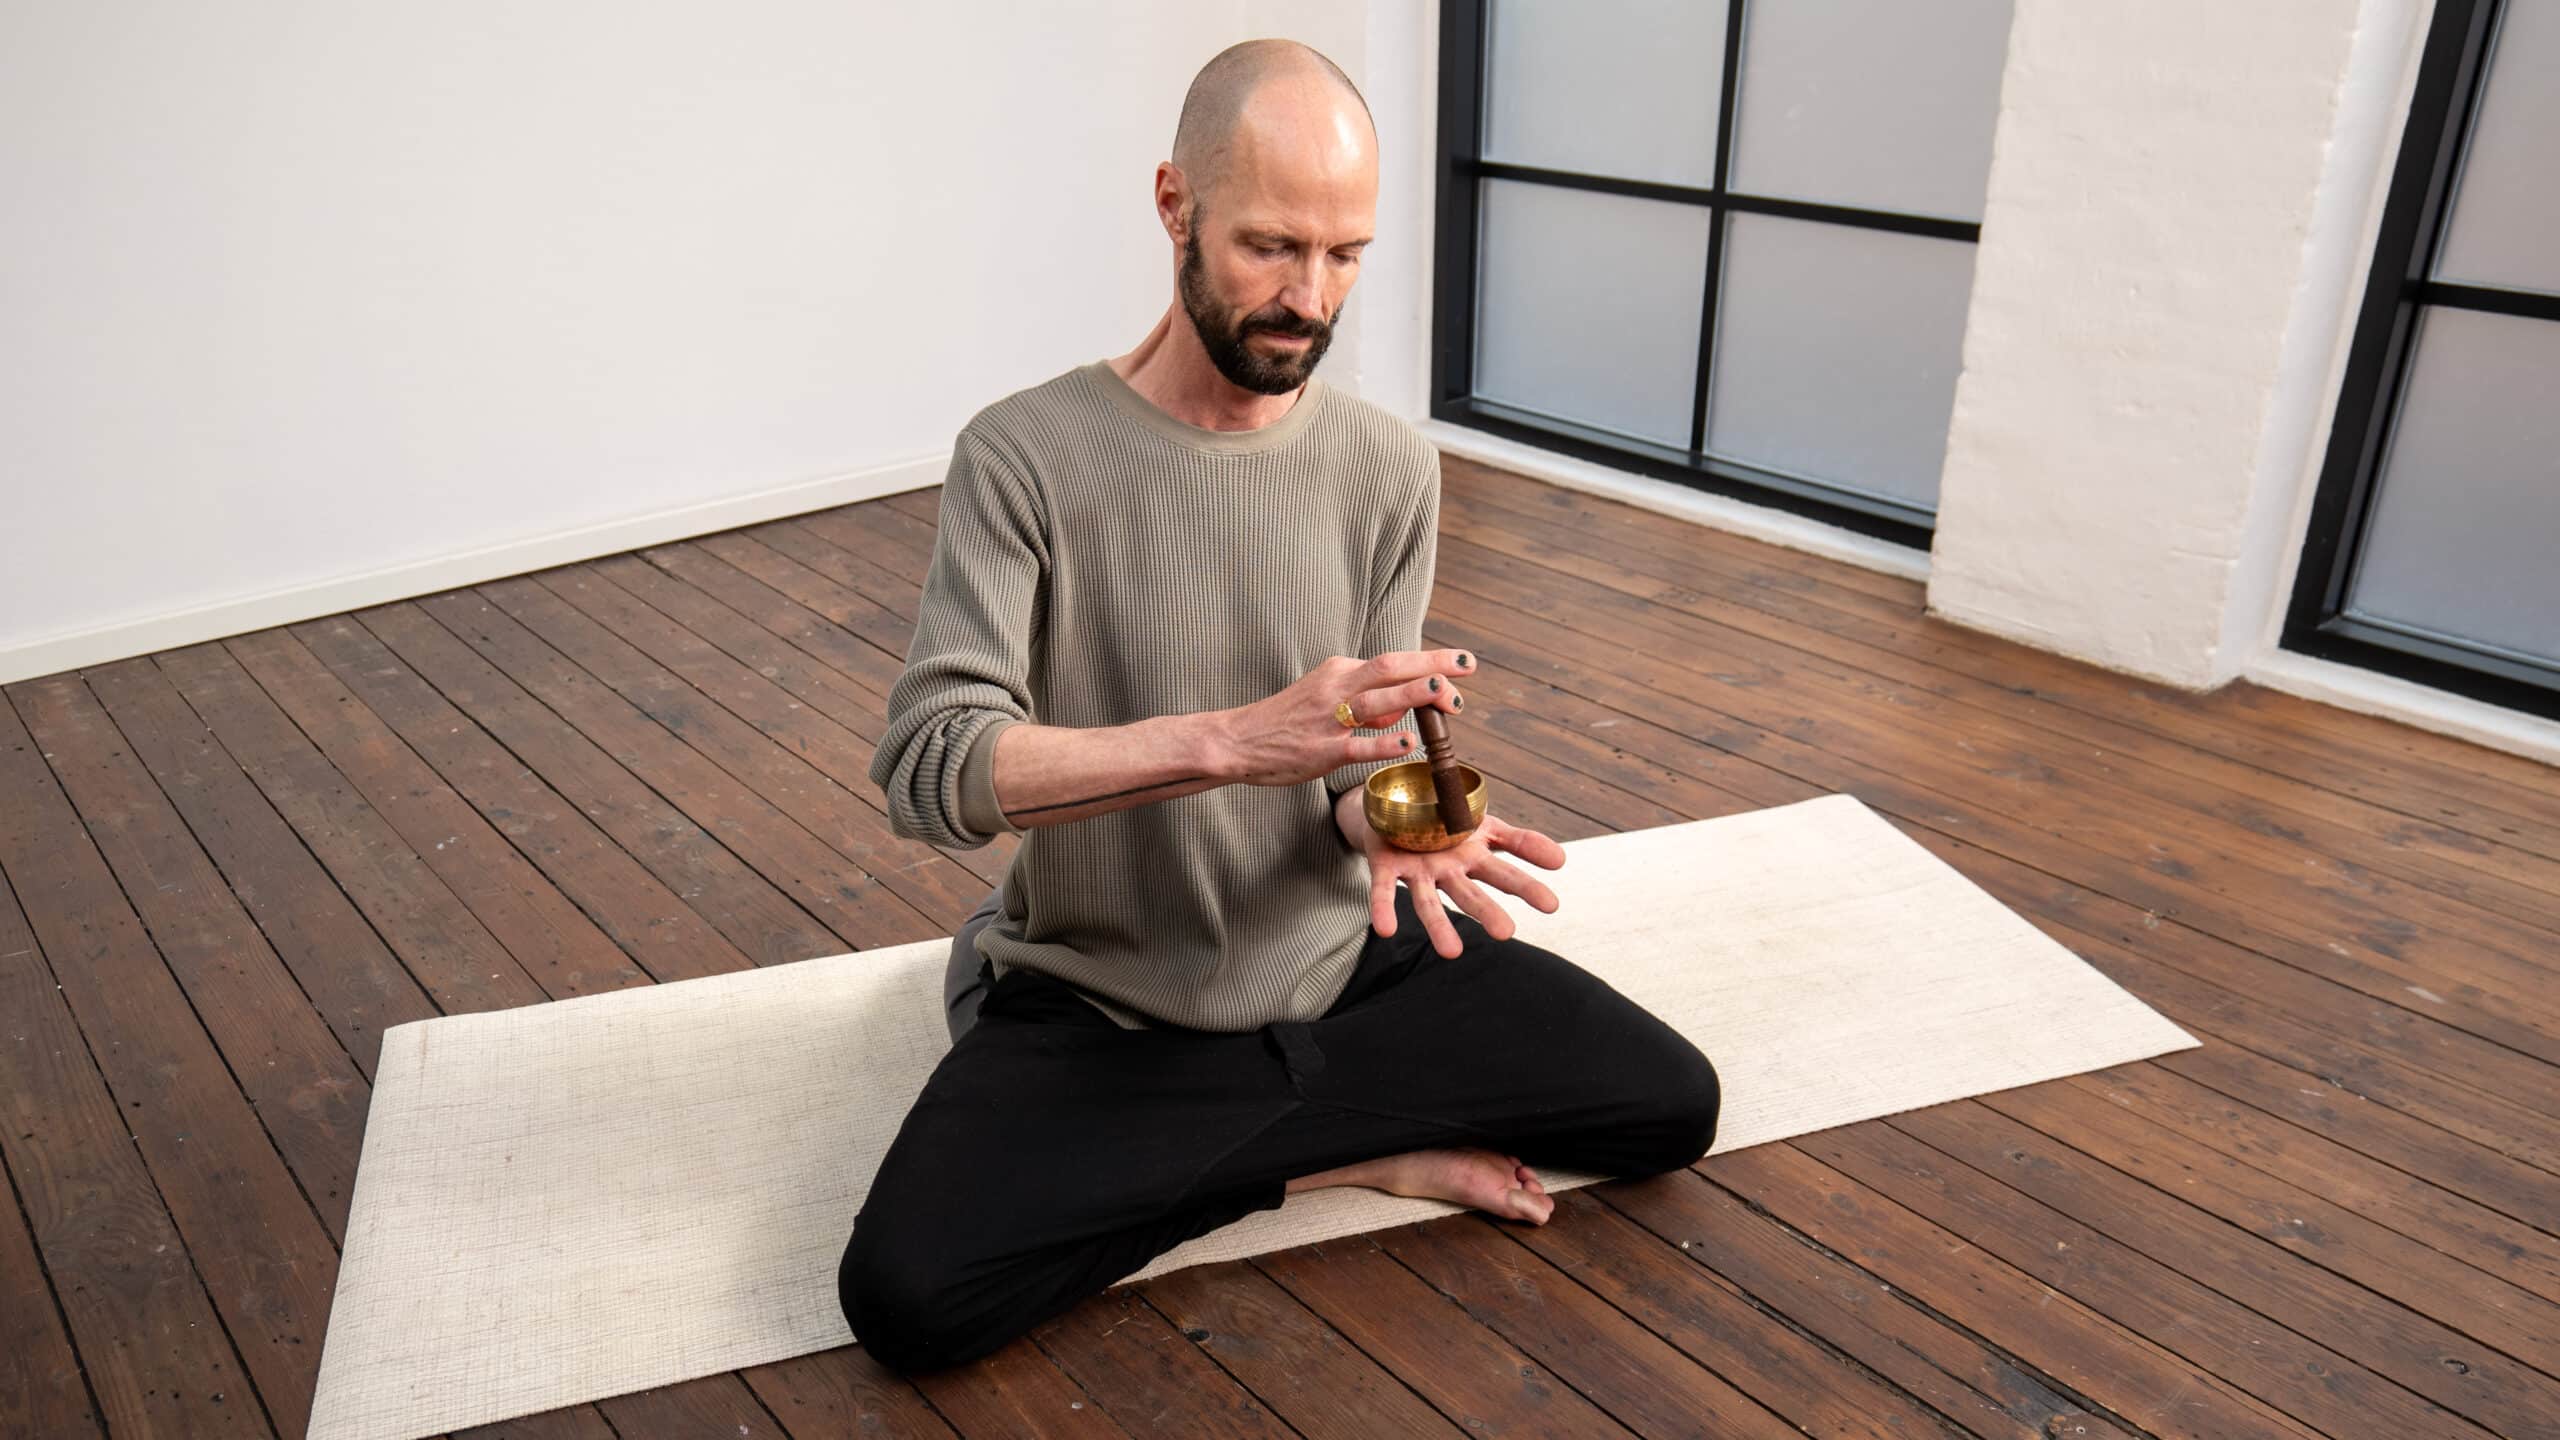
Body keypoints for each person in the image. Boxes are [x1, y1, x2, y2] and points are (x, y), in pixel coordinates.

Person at [842, 38, 1721, 1375]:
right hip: (1102, 985)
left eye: (1345, 254)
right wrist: (1230, 743)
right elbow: (930, 768)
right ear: (1174, 205)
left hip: (1333, 967)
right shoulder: (1022, 455)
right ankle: (1326, 1152)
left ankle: (1269, 1135)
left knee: (1669, 1104)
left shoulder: (1388, 468)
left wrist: (1395, 823)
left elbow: (1353, 765)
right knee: (911, 1295)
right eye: (1269, 246)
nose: (1309, 298)